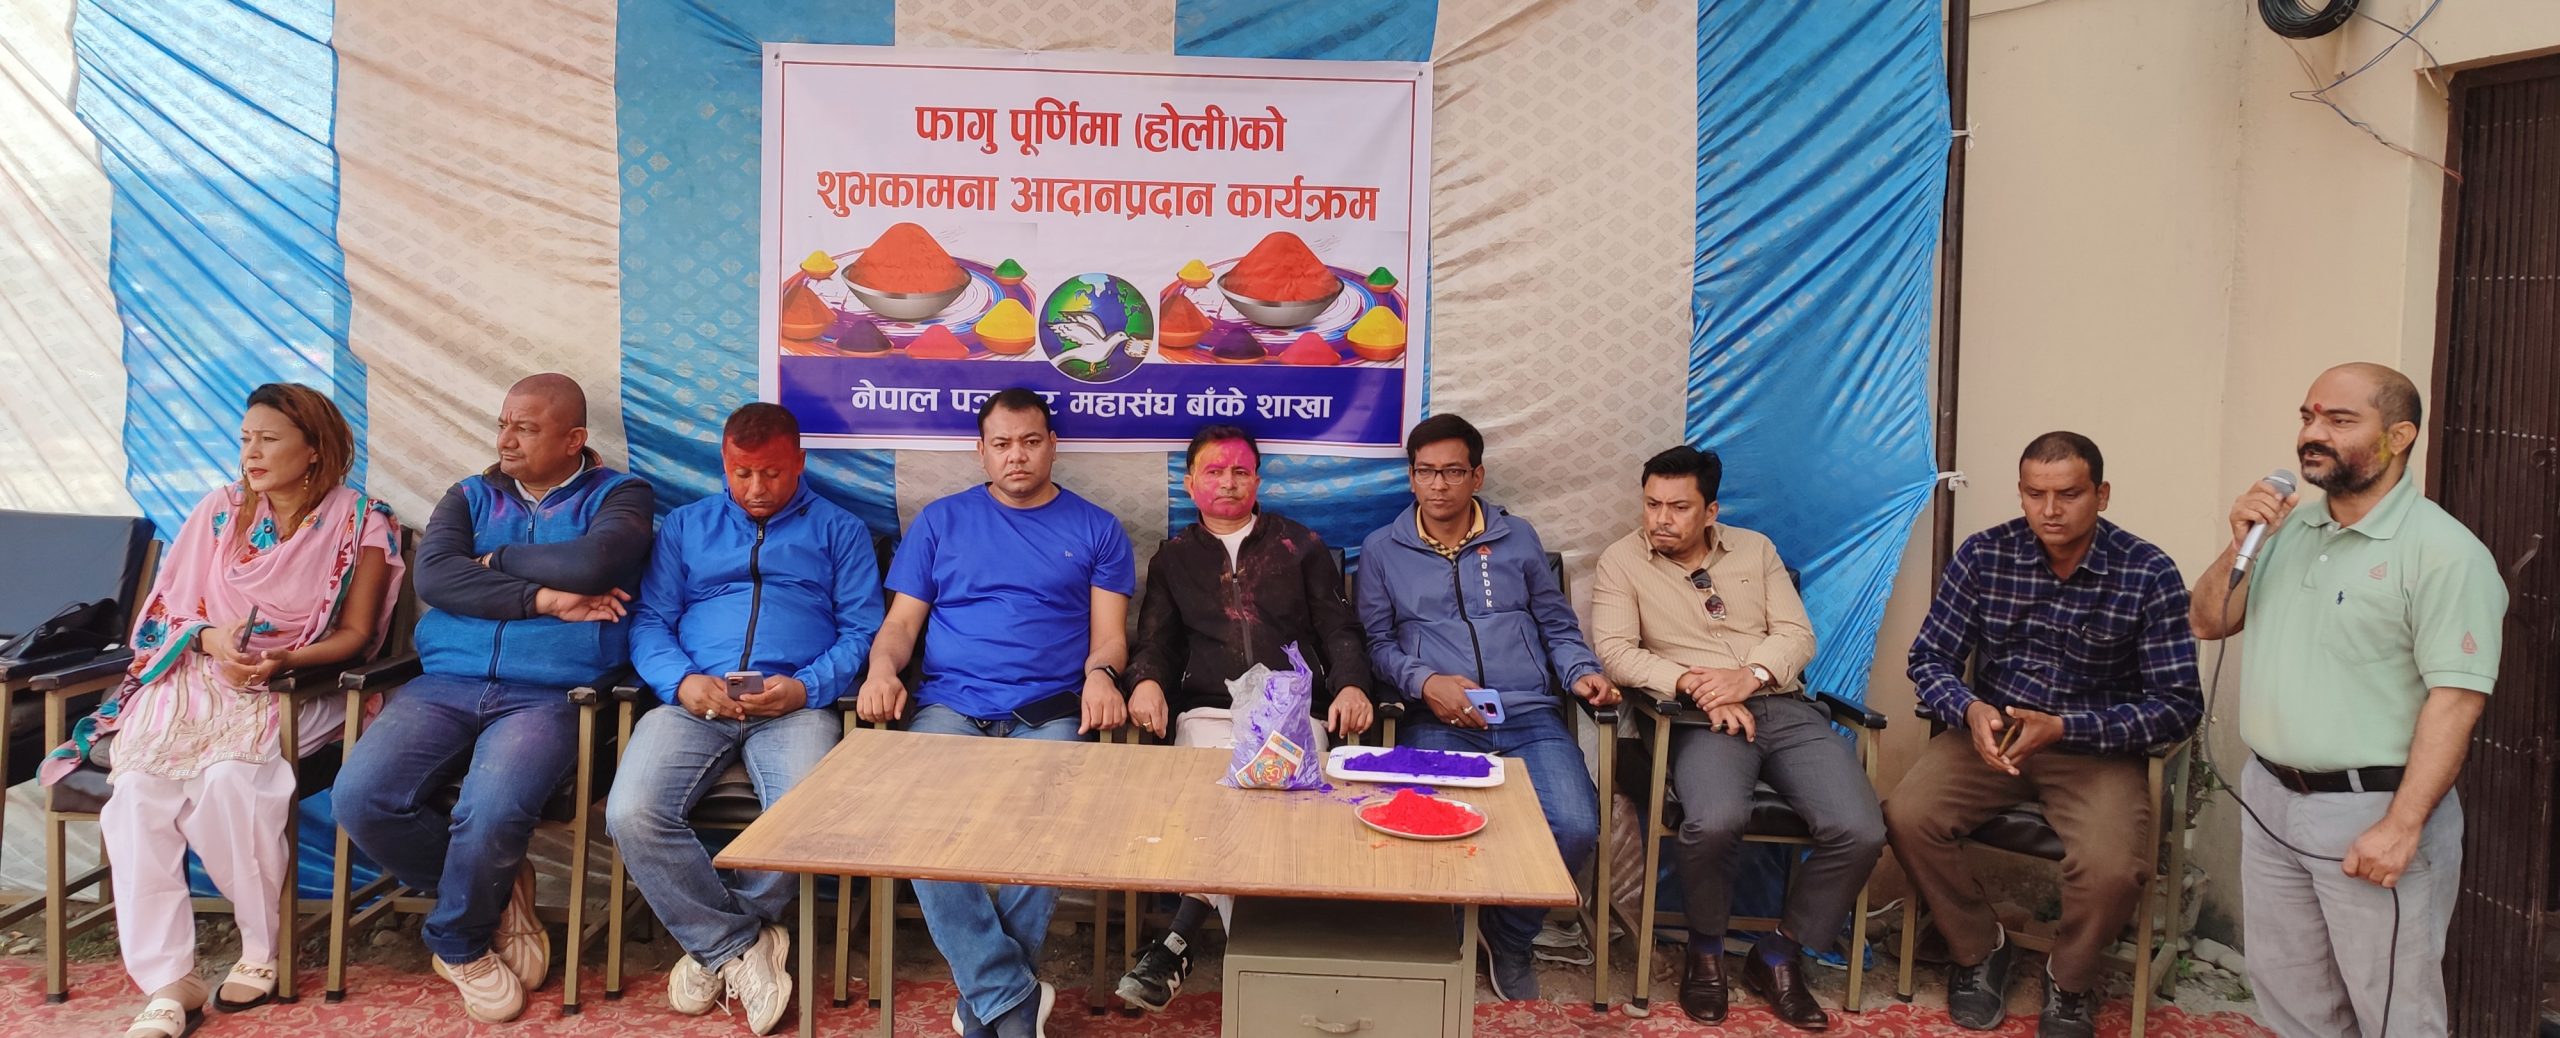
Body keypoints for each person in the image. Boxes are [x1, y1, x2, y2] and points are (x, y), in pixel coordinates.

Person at [38, 384, 404, 1038]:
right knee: (137, 794)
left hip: (294, 682)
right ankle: (169, 980)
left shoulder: (360, 521)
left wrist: (283, 660)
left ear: (313, 449)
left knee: (233, 781)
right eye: (245, 440)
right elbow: (164, 612)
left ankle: (261, 946)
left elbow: (356, 635)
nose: (251, 453)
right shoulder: (219, 511)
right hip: (195, 672)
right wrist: (210, 641)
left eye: (268, 439)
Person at [2190, 363, 2505, 1038]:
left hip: (2371, 813)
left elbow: (2456, 702)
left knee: (2394, 1012)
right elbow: (2208, 621)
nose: (2313, 433)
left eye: (2339, 420)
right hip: (2271, 799)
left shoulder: (2445, 553)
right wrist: (2241, 540)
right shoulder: (2287, 531)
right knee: (2293, 1001)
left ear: (2399, 436)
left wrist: (2402, 826)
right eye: (2308, 416)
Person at [334, 374, 654, 1021]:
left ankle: (459, 943)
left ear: (574, 438)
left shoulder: (622, 495)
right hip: (446, 682)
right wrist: (545, 598)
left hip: (551, 693)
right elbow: (436, 578)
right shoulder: (470, 494)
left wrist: (495, 560)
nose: (506, 439)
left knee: (492, 810)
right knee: (361, 798)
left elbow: (592, 564)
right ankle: (499, 893)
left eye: (526, 428)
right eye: (503, 423)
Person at [1888, 432, 2202, 1038]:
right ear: (2021, 493)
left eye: (2068, 495)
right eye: (2035, 494)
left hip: (2093, 747)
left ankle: (2071, 979)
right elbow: (1930, 657)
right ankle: (1980, 948)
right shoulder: (1986, 554)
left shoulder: (2147, 571)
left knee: (2113, 867)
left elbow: (2178, 705)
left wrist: (2066, 727)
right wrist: (1969, 709)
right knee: (1907, 815)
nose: (2050, 510)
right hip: (1995, 735)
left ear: (2101, 495)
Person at [856, 388, 1134, 1038]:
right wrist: (881, 670)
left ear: (1052, 446)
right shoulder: (940, 522)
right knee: (916, 822)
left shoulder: (1098, 528)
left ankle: (989, 1000)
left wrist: (1102, 675)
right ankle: (1009, 996)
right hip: (951, 707)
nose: (1017, 456)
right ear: (980, 451)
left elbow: (1110, 638)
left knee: (1051, 816)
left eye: (1030, 442)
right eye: (1002, 444)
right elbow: (900, 626)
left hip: (1051, 711)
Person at [604, 402, 883, 1036]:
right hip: (695, 701)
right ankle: (736, 945)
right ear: (724, 465)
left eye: (773, 474)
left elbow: (862, 630)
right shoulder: (686, 527)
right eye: (742, 473)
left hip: (794, 706)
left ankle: (719, 940)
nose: (756, 489)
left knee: (804, 816)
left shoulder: (840, 531)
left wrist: (806, 687)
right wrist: (681, 681)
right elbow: (650, 621)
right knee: (630, 812)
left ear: (800, 463)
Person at [1588, 445, 1879, 1032]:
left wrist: (1749, 678)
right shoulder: (1622, 561)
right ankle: (1706, 951)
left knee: (1861, 829)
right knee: (1714, 821)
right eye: (1651, 504)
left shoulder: (1756, 550)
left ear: (1711, 511)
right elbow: (1616, 652)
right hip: (1699, 719)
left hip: (1783, 706)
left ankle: (1779, 953)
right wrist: (1697, 685)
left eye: (1678, 507)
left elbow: (1796, 633)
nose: (1660, 519)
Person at [1355, 413, 1619, 1001]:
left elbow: (1556, 624)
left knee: (1575, 825)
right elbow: (1377, 644)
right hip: (1437, 721)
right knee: (1430, 827)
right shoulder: (1381, 550)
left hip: (1528, 715)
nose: (1438, 485)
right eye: (1426, 472)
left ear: (1477, 475)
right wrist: (1426, 682)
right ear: (1411, 477)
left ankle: (1510, 935)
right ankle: (1448, 936)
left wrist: (1581, 672)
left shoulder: (1516, 537)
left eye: (1453, 471)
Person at [1113, 424, 1376, 1011]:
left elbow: (1339, 628)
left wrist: (1353, 684)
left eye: (1240, 471)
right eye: (1214, 471)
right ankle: (1274, 974)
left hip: (1291, 712)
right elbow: (1156, 640)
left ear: (1258, 480)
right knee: (1217, 807)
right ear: (1190, 483)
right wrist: (1146, 680)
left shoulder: (1299, 545)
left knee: (1268, 812)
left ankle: (1177, 943)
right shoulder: (1175, 558)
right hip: (1208, 713)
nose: (1228, 482)